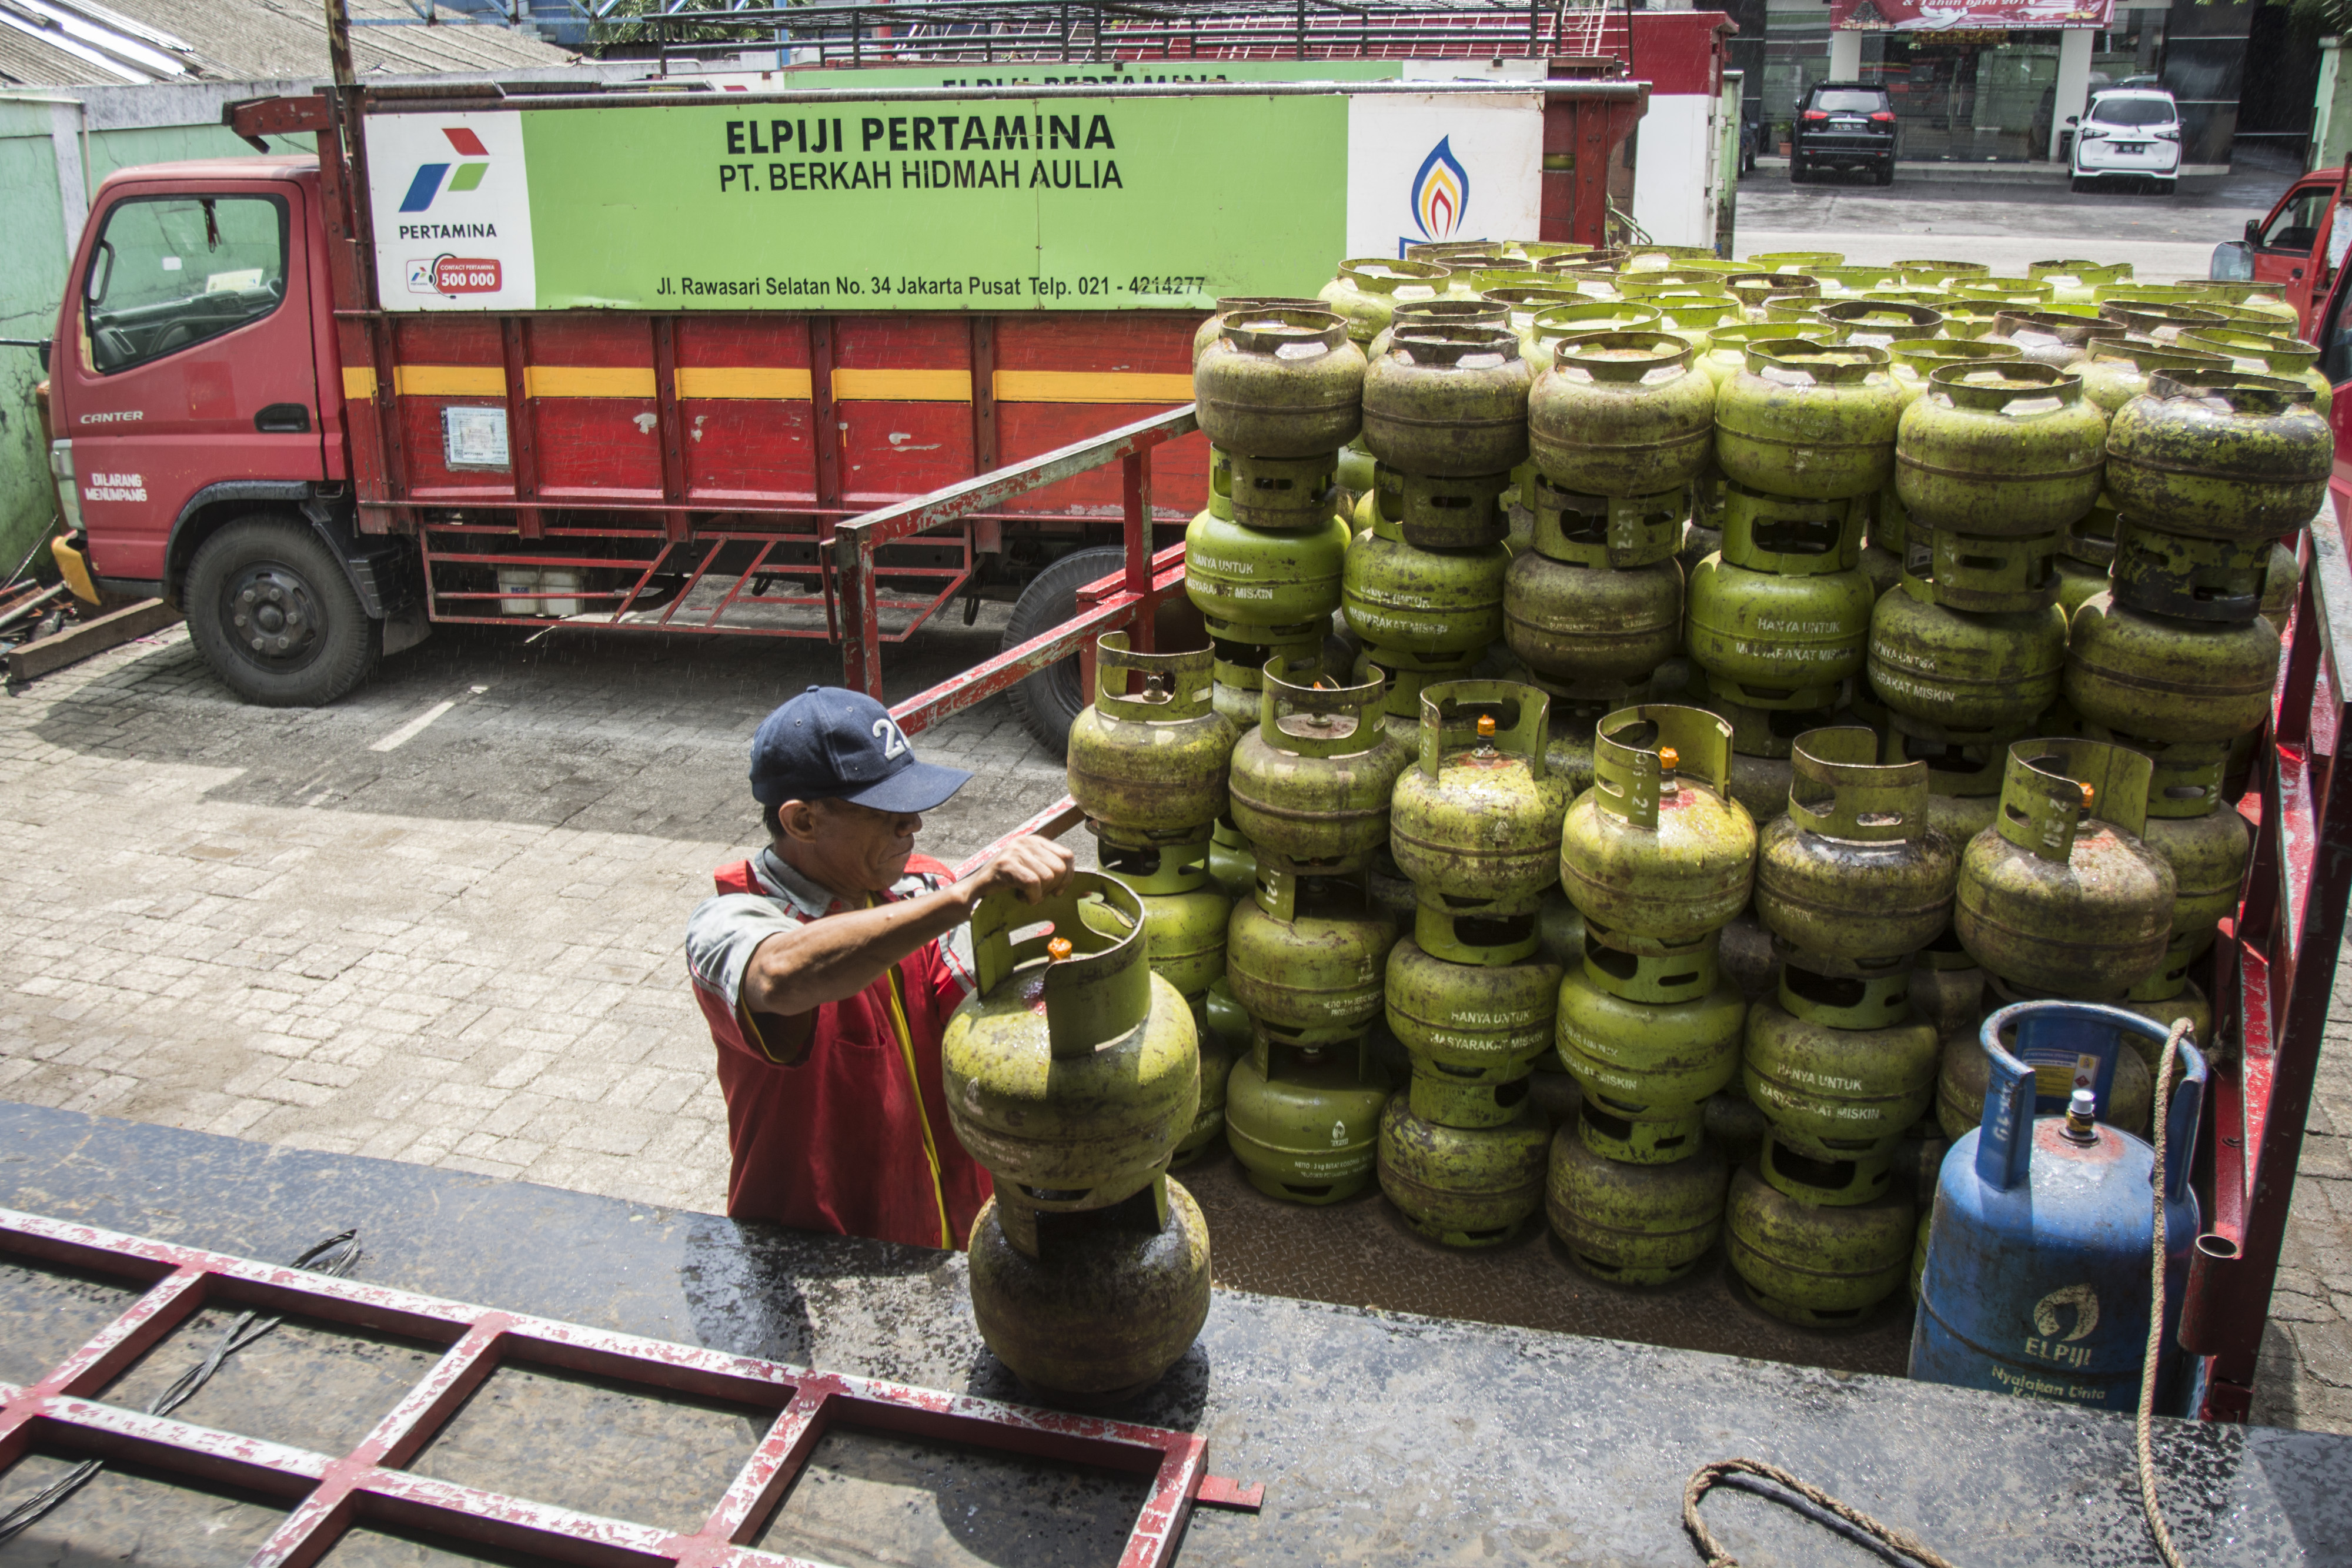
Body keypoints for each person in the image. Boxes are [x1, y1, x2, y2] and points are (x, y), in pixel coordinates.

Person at [685, 686, 1074, 1250]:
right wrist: (965, 898)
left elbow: (979, 1001)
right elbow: (779, 976)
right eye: (886, 811)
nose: (912, 824)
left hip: (949, 1241)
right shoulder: (729, 921)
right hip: (819, 1262)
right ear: (802, 821)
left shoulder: (920, 888)